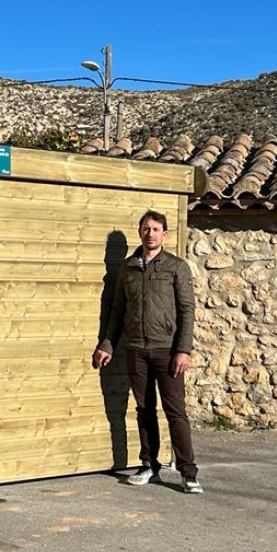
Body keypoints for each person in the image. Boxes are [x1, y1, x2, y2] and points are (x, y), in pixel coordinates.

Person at [92, 210, 201, 494]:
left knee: (175, 411)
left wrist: (183, 350)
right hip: (136, 349)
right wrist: (107, 344)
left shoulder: (176, 267)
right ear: (139, 232)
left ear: (164, 234)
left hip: (167, 350)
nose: (150, 233)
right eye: (145, 229)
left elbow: (187, 310)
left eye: (155, 229)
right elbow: (116, 311)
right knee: (143, 410)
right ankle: (148, 465)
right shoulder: (128, 268)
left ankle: (188, 473)